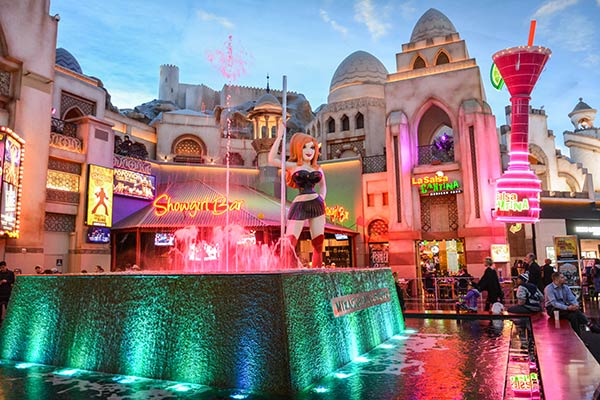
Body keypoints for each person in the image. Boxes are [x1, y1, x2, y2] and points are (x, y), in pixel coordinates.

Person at [268, 124, 327, 268]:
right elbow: (271, 159)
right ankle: (288, 271)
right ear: (298, 149)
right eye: (305, 147)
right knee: (290, 242)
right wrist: (279, 137)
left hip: (317, 204)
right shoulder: (293, 166)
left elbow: (323, 186)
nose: (309, 151)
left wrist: (322, 197)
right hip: (299, 204)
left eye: (312, 147)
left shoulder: (318, 168)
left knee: (318, 244)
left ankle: (317, 275)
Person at [544, 272, 600, 336]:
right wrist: (567, 308)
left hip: (564, 307)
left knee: (573, 315)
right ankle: (589, 325)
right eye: (562, 277)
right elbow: (554, 303)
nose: (564, 278)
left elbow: (572, 298)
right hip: (552, 309)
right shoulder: (549, 288)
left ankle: (578, 337)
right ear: (556, 279)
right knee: (574, 313)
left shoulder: (565, 287)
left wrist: (575, 305)